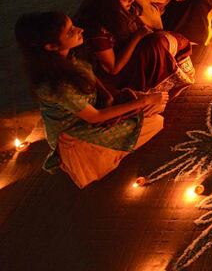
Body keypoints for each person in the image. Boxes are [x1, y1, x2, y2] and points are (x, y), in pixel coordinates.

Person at [15, 11, 168, 188]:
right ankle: (97, 157)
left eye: (74, 26)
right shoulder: (56, 84)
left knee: (153, 109)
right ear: (51, 46)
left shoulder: (70, 56)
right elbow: (94, 117)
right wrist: (145, 101)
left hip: (94, 111)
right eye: (70, 31)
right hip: (74, 134)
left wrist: (111, 97)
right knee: (155, 121)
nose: (80, 30)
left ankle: (113, 145)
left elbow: (91, 76)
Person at [75, 0, 195, 93]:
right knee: (156, 43)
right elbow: (113, 69)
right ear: (109, 2)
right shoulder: (97, 29)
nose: (132, 0)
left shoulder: (125, 11)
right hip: (119, 77)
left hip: (135, 57)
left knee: (164, 39)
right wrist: (138, 37)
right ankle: (153, 89)